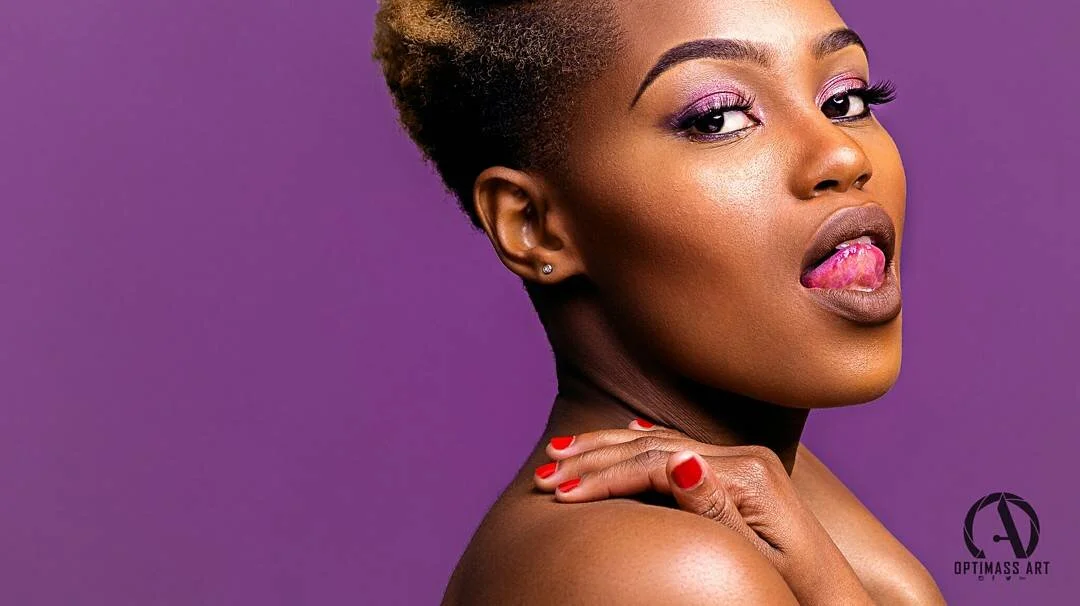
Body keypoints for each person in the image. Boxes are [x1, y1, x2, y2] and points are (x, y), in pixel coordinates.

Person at [373, 0, 946, 603]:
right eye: (719, 118)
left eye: (845, 101)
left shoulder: (772, 491)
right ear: (535, 225)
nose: (843, 156)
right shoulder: (672, 572)